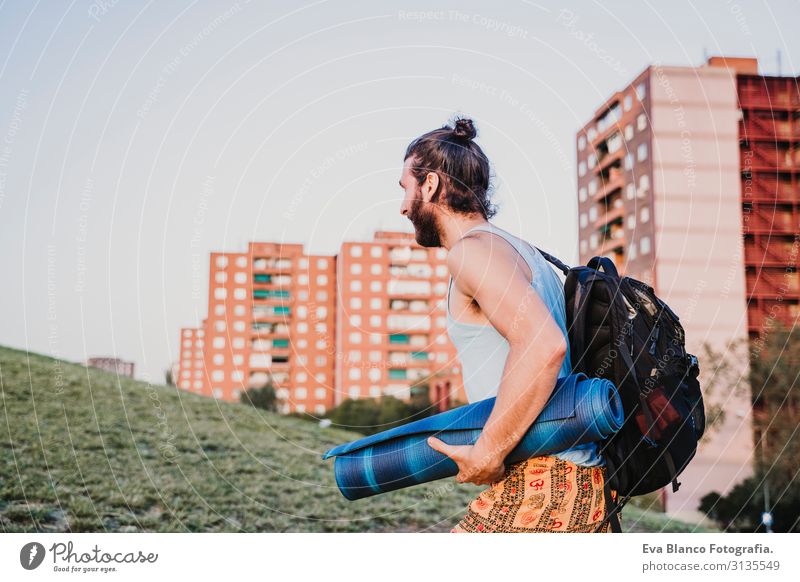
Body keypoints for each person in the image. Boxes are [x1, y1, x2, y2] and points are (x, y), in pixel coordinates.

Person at [398, 116, 618, 533]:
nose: (404, 206)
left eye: (406, 188)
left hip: (542, 482)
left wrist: (487, 452)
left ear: (430, 186)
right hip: (573, 478)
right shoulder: (523, 252)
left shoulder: (472, 252)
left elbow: (543, 346)